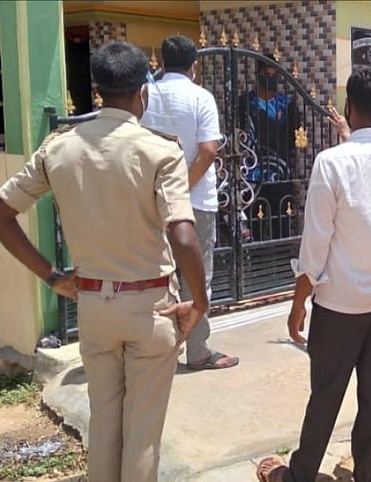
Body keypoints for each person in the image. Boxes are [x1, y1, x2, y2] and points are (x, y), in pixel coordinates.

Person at [0, 41, 208, 481]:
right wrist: (199, 302)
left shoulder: (60, 148)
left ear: (97, 89)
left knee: (105, 425)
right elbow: (183, 235)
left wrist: (51, 276)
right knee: (141, 433)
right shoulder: (160, 151)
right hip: (151, 308)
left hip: (92, 305)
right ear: (144, 90)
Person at [255, 66, 371, 482]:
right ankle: (367, 471)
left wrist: (297, 303)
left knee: (326, 393)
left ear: (349, 107)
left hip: (340, 302)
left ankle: (302, 474)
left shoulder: (331, 164)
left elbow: (315, 246)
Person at [142, 35, 239, 371]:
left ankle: (156, 349)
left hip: (151, 200)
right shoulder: (201, 97)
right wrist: (182, 188)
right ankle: (196, 350)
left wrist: (167, 190)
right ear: (194, 66)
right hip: (196, 200)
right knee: (198, 275)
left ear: (163, 63)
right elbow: (209, 149)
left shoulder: (145, 95)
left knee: (157, 274)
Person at [239, 53, 300, 181]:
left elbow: (293, 137)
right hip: (252, 172)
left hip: (281, 171)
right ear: (258, 74)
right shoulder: (245, 102)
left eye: (274, 75)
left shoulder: (287, 103)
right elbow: (238, 133)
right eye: (266, 74)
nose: (270, 78)